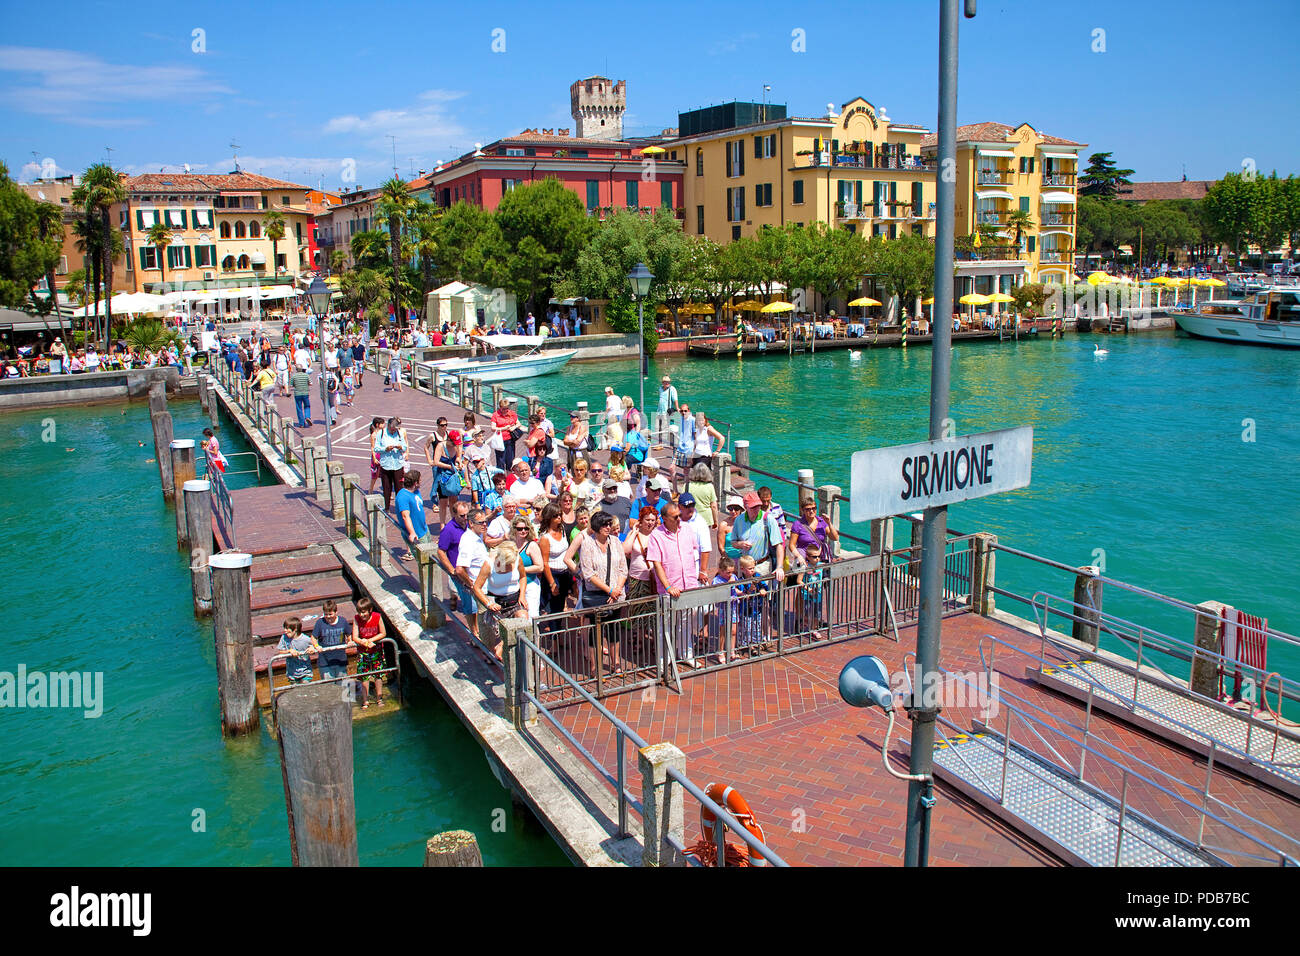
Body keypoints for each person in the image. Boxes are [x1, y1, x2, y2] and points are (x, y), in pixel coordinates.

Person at [646, 501, 702, 663]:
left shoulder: (687, 529)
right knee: (666, 625)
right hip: (669, 590)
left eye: (679, 515)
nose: (679, 519)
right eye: (675, 517)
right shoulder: (657, 535)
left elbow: (693, 553)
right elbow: (656, 563)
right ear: (664, 518)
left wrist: (696, 577)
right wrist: (668, 586)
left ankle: (686, 654)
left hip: (688, 585)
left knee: (686, 622)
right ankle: (664, 659)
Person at [578, 511, 629, 674]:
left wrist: (618, 589)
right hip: (597, 594)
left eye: (609, 524)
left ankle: (616, 663)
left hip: (615, 594)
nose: (608, 527)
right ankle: (594, 666)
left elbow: (623, 568)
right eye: (604, 525)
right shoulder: (587, 544)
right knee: (595, 631)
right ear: (596, 527)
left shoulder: (615, 542)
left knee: (614, 629)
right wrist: (610, 590)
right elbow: (588, 574)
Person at [473, 542, 527, 660]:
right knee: (492, 644)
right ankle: (496, 652)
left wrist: (522, 595)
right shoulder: (489, 564)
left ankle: (503, 646)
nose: (510, 566)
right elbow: (476, 587)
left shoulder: (517, 559)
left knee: (523, 618)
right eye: (507, 564)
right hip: (497, 602)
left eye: (511, 563)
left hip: (515, 599)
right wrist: (488, 603)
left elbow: (523, 577)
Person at [454, 508, 491, 639]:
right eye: (481, 522)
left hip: (486, 587)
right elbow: (459, 569)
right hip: (481, 589)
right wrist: (472, 585)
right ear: (471, 523)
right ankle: (487, 653)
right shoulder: (468, 541)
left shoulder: (477, 536)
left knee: (488, 622)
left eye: (485, 522)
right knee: (485, 623)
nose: (484, 525)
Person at [729, 490, 784, 577]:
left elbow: (779, 545)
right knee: (743, 590)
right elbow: (733, 542)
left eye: (758, 506)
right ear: (745, 507)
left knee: (763, 590)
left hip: (762, 566)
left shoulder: (768, 519)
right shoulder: (739, 520)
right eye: (753, 507)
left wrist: (779, 567)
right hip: (744, 567)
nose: (757, 509)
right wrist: (740, 544)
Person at [538, 504, 573, 621]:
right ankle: (553, 636)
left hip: (564, 574)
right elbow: (545, 563)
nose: (559, 517)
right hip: (553, 575)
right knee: (554, 610)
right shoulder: (545, 538)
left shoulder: (562, 529)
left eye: (560, 514)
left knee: (560, 606)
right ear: (549, 517)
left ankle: (556, 634)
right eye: (555, 515)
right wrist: (552, 584)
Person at [352, 596, 387, 708]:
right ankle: (365, 700)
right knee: (364, 677)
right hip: (363, 652)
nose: (362, 615)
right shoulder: (356, 619)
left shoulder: (377, 617)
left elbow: (383, 633)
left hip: (376, 651)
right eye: (360, 613)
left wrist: (370, 640)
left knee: (378, 675)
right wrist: (364, 642)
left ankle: (379, 698)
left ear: (370, 610)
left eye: (364, 612)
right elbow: (355, 637)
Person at [730, 555, 769, 655]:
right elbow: (739, 592)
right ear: (742, 569)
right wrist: (746, 592)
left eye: (753, 568)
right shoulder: (740, 580)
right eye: (750, 568)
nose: (752, 570)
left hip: (757, 608)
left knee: (757, 626)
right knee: (746, 627)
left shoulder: (757, 577)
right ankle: (745, 644)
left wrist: (762, 590)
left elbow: (764, 586)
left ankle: (756, 643)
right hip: (745, 610)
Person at [623, 506, 659, 602]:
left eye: (652, 520)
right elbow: (625, 550)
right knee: (637, 610)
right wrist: (634, 532)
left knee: (652, 612)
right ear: (641, 520)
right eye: (647, 520)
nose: (650, 523)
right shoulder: (634, 534)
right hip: (637, 579)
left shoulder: (658, 535)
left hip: (654, 579)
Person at [430, 429, 465, 526]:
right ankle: (442, 525)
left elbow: (458, 457)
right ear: (449, 439)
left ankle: (454, 522)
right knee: (443, 502)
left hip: (452, 477)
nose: (455, 445)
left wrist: (459, 463)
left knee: (453, 500)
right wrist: (450, 467)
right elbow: (436, 462)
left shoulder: (456, 446)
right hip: (442, 477)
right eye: (454, 443)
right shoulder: (441, 446)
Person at [788, 498, 840, 564]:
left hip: (819, 555)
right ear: (803, 510)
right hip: (804, 555)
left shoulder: (822, 521)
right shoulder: (798, 524)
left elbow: (835, 538)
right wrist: (798, 556)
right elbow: (791, 545)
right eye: (808, 509)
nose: (811, 511)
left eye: (814, 508)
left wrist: (829, 523)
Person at [511, 517, 544, 618]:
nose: (523, 531)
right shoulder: (510, 544)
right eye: (520, 529)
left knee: (531, 617)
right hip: (514, 587)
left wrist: (521, 570)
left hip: (530, 586)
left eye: (526, 528)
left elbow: (540, 567)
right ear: (514, 529)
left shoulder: (532, 545)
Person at [373, 417, 408, 511]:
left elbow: (405, 447)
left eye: (395, 429)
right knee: (386, 488)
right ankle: (386, 508)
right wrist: (385, 449)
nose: (393, 431)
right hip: (386, 464)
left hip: (398, 464)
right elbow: (376, 448)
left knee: (399, 488)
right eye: (392, 429)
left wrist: (401, 447)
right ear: (388, 425)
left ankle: (400, 508)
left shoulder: (400, 433)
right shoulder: (381, 433)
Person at [678, 493, 714, 581]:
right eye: (687, 506)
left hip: (693, 565)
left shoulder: (700, 522)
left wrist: (703, 571)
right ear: (679, 506)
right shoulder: (674, 519)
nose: (690, 508)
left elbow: (705, 548)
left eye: (692, 505)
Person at [396, 471, 432, 560]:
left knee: (431, 557)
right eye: (420, 480)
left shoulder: (416, 491)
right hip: (417, 535)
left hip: (424, 529)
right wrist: (412, 533)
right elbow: (405, 516)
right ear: (416, 483)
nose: (421, 481)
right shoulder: (403, 496)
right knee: (424, 561)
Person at [313, 598, 351, 682]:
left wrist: (350, 641)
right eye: (326, 614)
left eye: (330, 614)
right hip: (325, 661)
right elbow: (313, 637)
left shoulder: (343, 621)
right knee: (329, 687)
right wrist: (316, 646)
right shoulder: (320, 622)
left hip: (340, 659)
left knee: (343, 686)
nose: (328, 617)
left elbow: (349, 635)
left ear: (336, 612)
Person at [277, 615, 320, 684]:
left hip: (305, 672)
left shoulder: (305, 639)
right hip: (292, 673)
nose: (285, 630)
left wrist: (312, 648)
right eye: (284, 628)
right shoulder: (284, 637)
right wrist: (289, 651)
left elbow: (316, 644)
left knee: (304, 688)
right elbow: (280, 651)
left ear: (295, 629)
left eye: (287, 628)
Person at [686, 463, 719, 531]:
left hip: (690, 516)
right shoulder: (710, 487)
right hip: (706, 518)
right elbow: (714, 506)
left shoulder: (687, 486)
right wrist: (715, 521)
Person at [490, 399, 519, 473]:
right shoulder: (496, 415)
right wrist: (503, 428)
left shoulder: (512, 413)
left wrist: (514, 427)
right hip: (500, 440)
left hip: (510, 440)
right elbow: (493, 428)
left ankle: (509, 477)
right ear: (500, 407)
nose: (505, 411)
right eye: (503, 409)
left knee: (510, 460)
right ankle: (501, 478)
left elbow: (518, 423)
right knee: (500, 460)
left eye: (507, 408)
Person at [366, 417, 384, 493]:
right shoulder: (373, 435)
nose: (384, 425)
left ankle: (386, 491)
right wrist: (374, 458)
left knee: (385, 475)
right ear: (377, 424)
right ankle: (370, 489)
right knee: (375, 475)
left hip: (383, 455)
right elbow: (372, 448)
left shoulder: (383, 433)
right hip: (377, 456)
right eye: (382, 423)